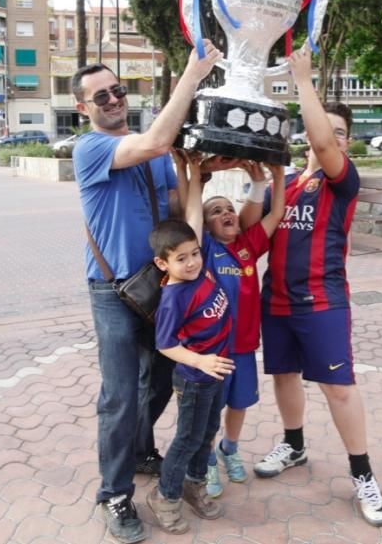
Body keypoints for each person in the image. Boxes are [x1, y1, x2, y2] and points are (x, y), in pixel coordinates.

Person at [72, 40, 225, 544]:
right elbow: (157, 143)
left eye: (118, 90)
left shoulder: (153, 152)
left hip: (161, 290)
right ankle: (114, 492)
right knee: (118, 396)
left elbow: (179, 209)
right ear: (83, 108)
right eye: (101, 96)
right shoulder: (91, 149)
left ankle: (140, 452)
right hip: (113, 291)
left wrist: (203, 171)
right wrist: (193, 73)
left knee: (158, 383)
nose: (114, 99)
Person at [241, 48, 382, 527]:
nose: (330, 138)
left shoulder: (341, 180)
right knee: (283, 377)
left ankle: (363, 473)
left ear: (345, 142)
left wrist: (303, 80)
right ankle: (295, 444)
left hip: (322, 302)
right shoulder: (287, 185)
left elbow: (324, 147)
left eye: (340, 132)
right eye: (327, 130)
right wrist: (255, 184)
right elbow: (248, 232)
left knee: (338, 388)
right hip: (276, 301)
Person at [172, 154, 286, 499]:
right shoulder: (202, 249)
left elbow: (276, 213)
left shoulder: (248, 246)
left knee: (239, 403)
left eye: (229, 208)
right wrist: (193, 173)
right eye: (215, 211)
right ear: (205, 226)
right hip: (210, 351)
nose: (225, 213)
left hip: (244, 346)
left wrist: (275, 176)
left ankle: (229, 449)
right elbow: (190, 213)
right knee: (209, 409)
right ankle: (205, 459)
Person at [144, 213, 234, 534]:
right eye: (181, 259)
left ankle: (193, 486)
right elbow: (166, 345)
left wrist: (194, 174)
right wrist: (199, 362)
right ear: (162, 263)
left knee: (208, 432)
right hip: (195, 379)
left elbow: (195, 223)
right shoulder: (173, 298)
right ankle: (165, 497)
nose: (193, 262)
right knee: (187, 439)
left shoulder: (202, 272)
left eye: (195, 253)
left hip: (217, 373)